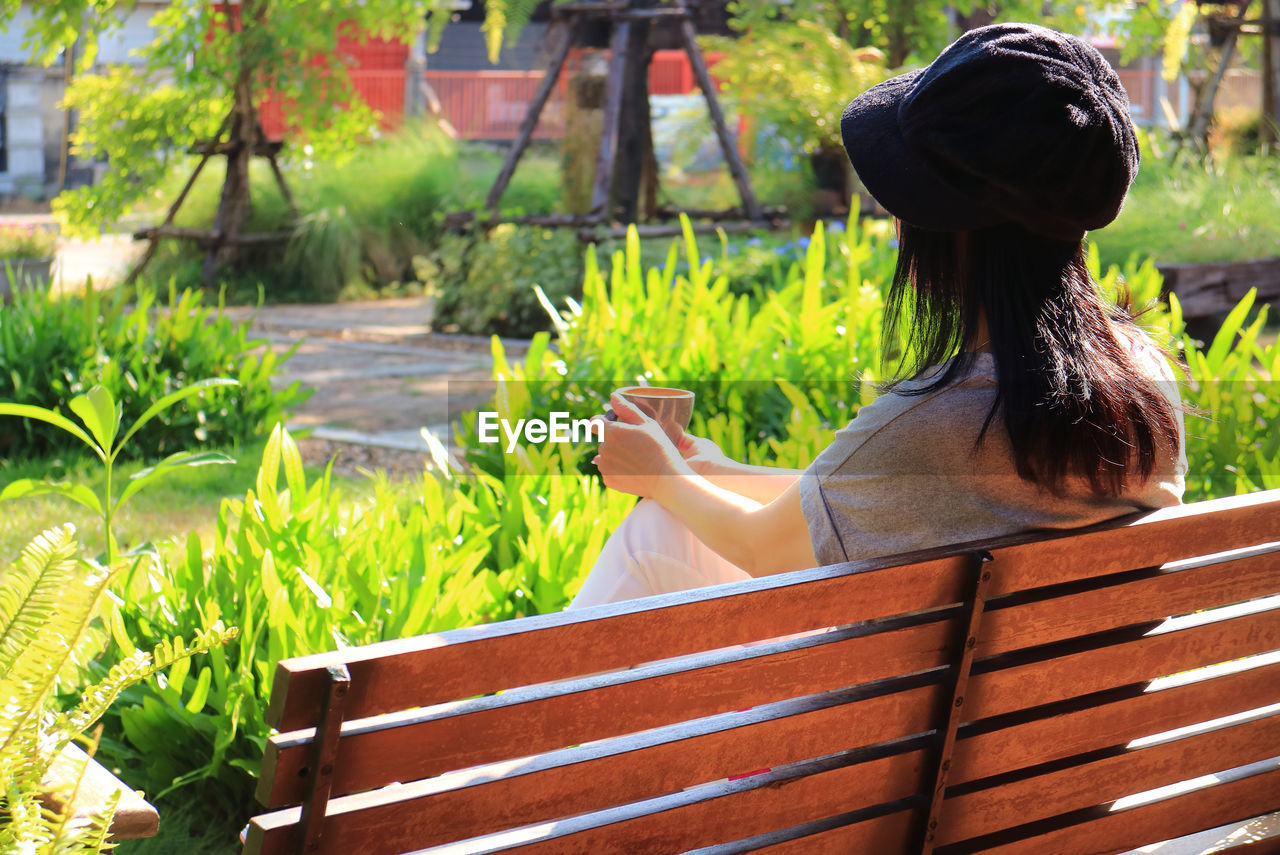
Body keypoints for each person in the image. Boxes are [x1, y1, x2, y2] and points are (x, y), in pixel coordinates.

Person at [568, 22, 1187, 610]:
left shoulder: (945, 417)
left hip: (911, 720)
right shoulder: (1136, 374)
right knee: (666, 524)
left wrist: (662, 479)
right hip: (1059, 710)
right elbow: (883, 492)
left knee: (655, 532)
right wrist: (710, 470)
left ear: (950, 231)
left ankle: (516, 722)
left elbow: (764, 549)